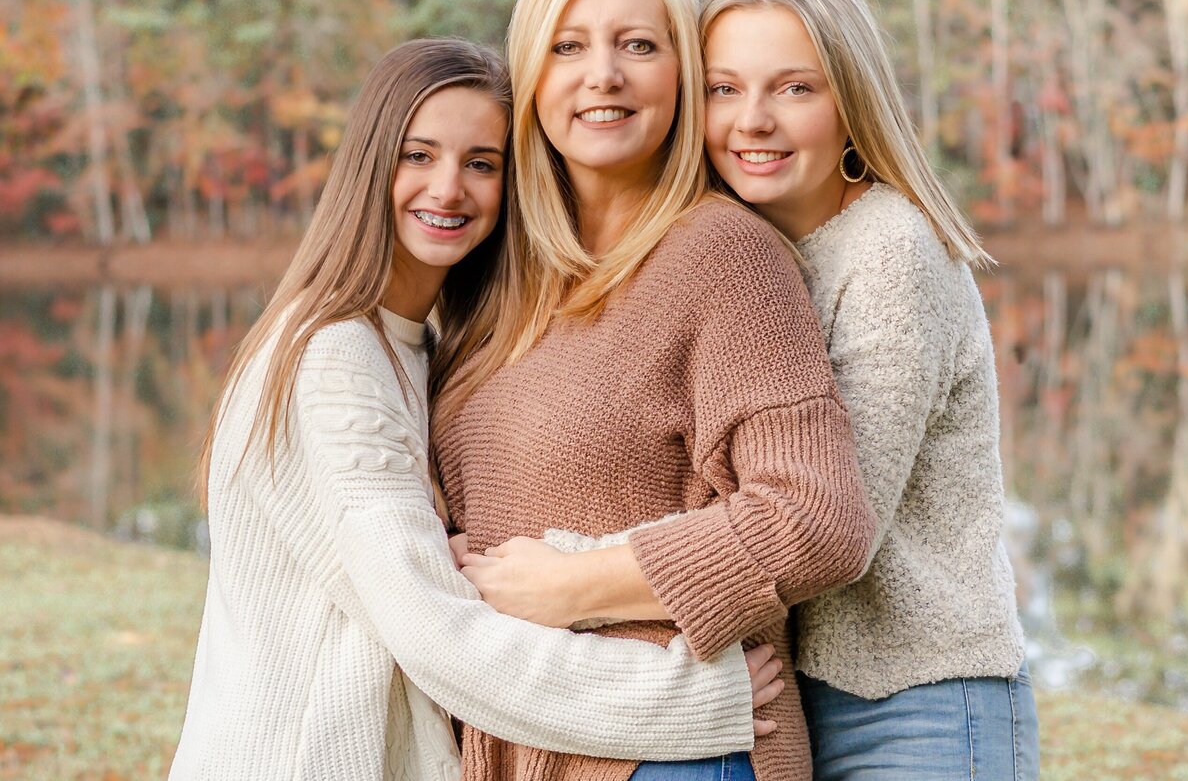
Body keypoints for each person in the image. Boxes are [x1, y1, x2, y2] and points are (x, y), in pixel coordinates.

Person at [168, 38, 787, 781]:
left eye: (482, 163)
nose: (449, 188)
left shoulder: (412, 344)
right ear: (371, 165)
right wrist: (684, 694)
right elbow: (434, 631)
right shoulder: (335, 354)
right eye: (418, 155)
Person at [433, 0, 875, 781]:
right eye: (570, 45)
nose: (603, 74)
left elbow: (815, 517)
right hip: (533, 736)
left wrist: (574, 585)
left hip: (676, 747)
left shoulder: (723, 256)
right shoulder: (496, 277)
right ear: (530, 74)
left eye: (639, 44)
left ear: (682, 75)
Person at [700, 0, 1039, 780]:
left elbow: (826, 525)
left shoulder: (892, 250)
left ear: (851, 102)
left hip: (923, 703)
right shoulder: (745, 251)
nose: (753, 121)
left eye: (794, 89)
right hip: (799, 700)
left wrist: (576, 582)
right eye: (723, 89)